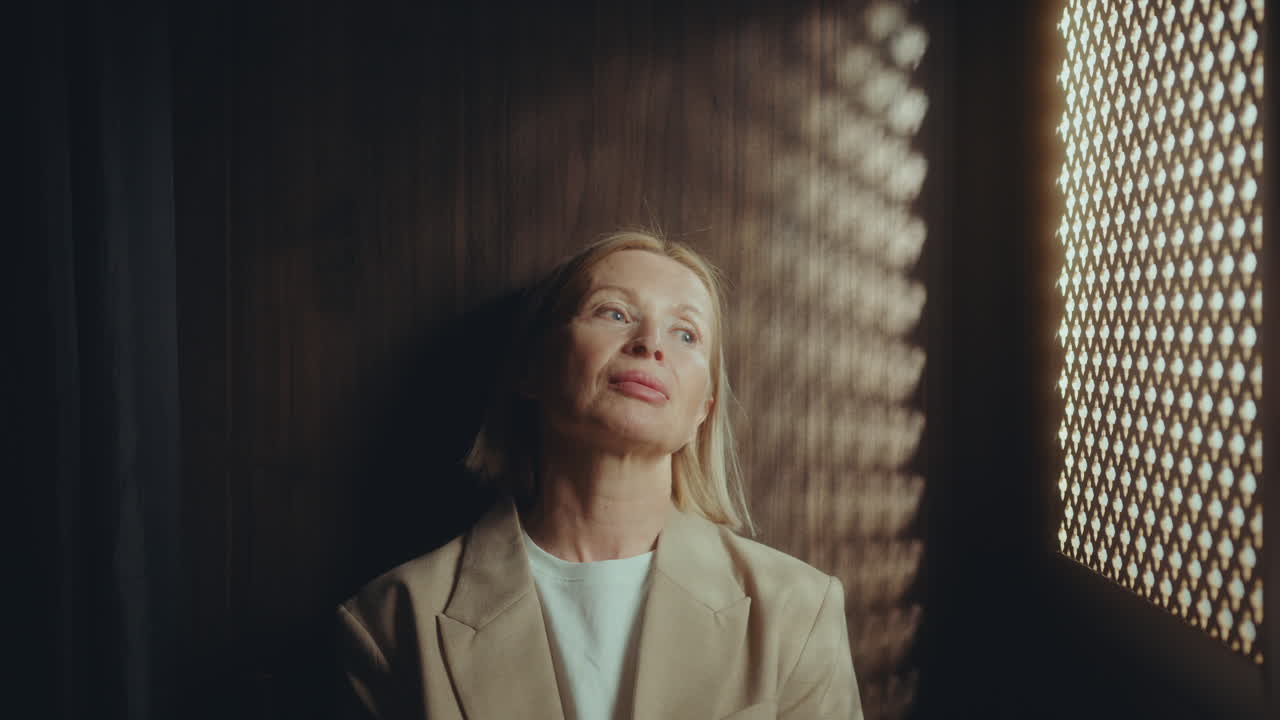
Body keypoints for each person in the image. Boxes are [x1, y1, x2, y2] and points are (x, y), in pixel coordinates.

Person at [337, 230, 863, 719]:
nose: (650, 343)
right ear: (531, 367)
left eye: (686, 333)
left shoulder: (798, 610)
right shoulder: (392, 620)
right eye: (613, 313)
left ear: (703, 408)